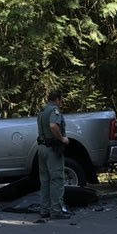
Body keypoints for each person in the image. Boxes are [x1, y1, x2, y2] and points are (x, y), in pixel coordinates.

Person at [36, 89, 72, 219]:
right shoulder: (54, 110)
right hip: (52, 149)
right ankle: (56, 211)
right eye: (61, 100)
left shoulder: (42, 111)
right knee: (56, 179)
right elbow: (53, 125)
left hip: (41, 148)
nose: (61, 102)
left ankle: (44, 210)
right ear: (57, 99)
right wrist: (62, 139)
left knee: (44, 180)